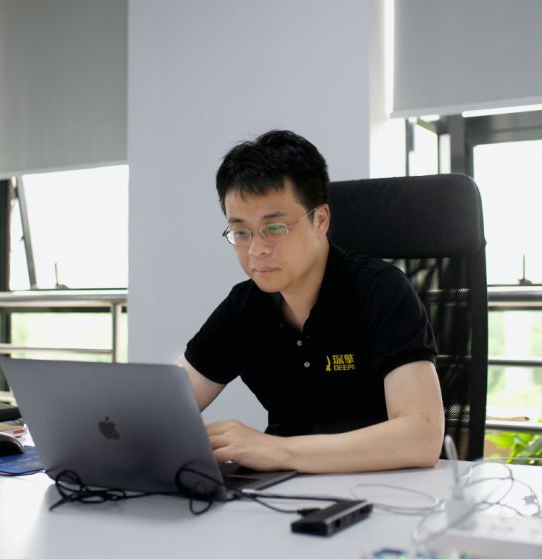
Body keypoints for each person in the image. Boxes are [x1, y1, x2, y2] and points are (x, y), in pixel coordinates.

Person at [177, 130, 444, 474]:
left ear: (321, 220)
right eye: (241, 232)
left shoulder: (381, 290)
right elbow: (166, 406)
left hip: (382, 490)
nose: (256, 249)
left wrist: (278, 450)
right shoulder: (244, 306)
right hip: (281, 493)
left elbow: (422, 437)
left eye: (274, 228)